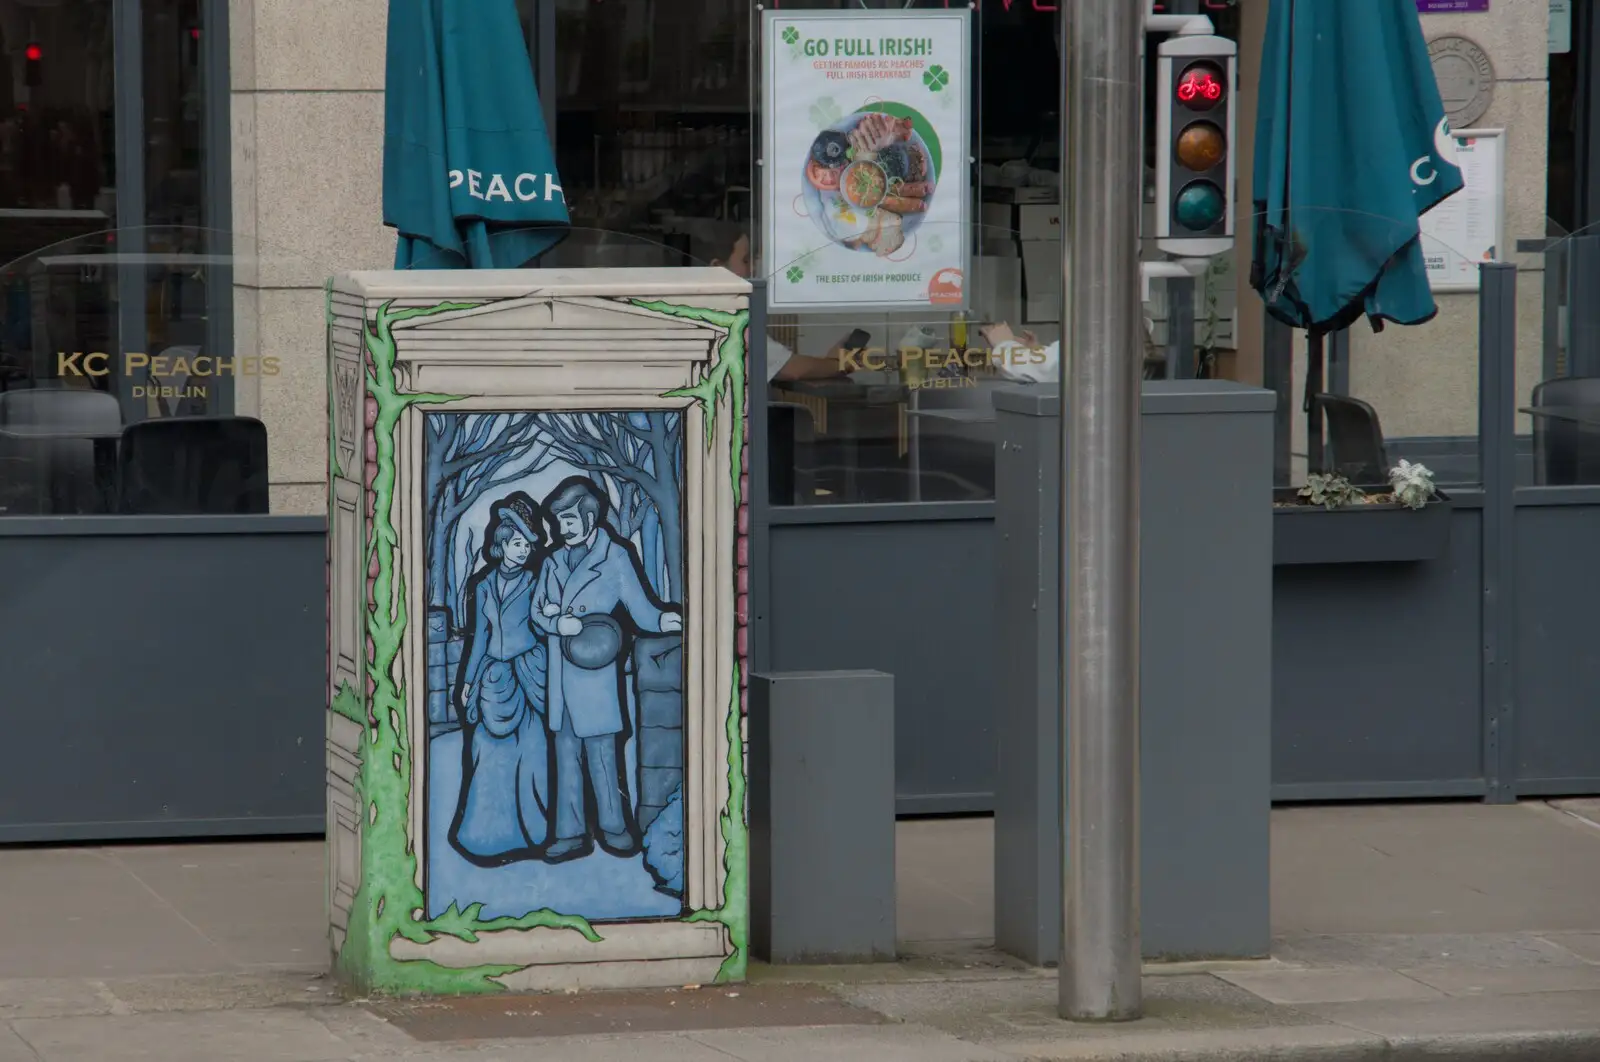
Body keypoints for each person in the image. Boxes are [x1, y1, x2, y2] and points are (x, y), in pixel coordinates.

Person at [534, 476, 683, 863]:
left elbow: (639, 604)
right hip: (560, 679)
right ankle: (569, 833)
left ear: (589, 517)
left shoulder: (614, 555)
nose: (562, 528)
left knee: (602, 756)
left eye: (568, 520)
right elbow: (538, 610)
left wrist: (662, 620)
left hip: (596, 675)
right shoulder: (552, 561)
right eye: (559, 521)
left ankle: (614, 828)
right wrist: (554, 623)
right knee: (565, 756)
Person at [450, 494, 554, 865]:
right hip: (494, 677)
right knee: (487, 754)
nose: (523, 551)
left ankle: (535, 833)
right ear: (501, 544)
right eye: (516, 544)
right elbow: (479, 637)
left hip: (529, 675)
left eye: (527, 545)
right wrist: (468, 681)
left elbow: (543, 627)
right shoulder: (482, 586)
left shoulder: (537, 580)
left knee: (534, 754)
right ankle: (486, 834)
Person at [710, 233, 858, 383]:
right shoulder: (724, 318)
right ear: (718, 268)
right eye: (746, 260)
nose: (753, 269)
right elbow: (792, 369)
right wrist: (839, 363)